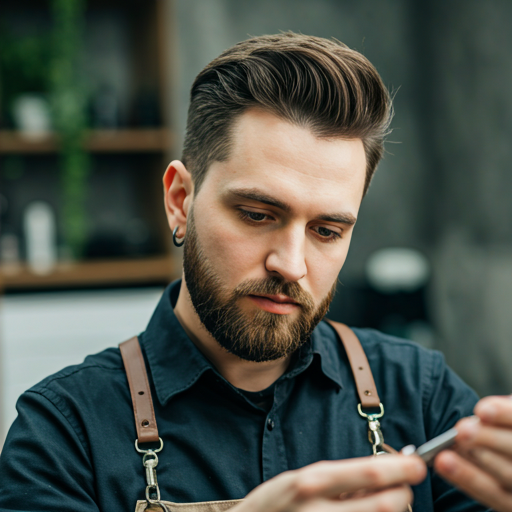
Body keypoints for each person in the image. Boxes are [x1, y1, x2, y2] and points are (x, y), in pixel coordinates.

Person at [0, 32, 510, 512]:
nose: (290, 264)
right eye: (257, 215)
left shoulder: (422, 395)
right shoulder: (64, 435)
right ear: (180, 201)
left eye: (327, 231)